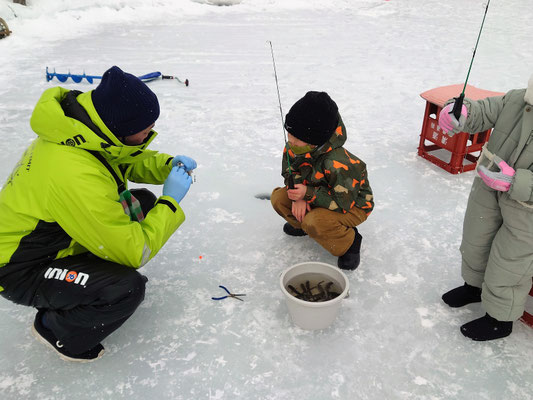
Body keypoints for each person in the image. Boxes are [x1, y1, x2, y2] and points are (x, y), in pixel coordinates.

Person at [0, 66, 196, 361]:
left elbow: (121, 158)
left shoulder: (82, 130)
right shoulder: (73, 174)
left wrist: (167, 166)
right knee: (124, 288)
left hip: (54, 238)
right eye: (145, 129)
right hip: (20, 268)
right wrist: (169, 201)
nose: (151, 132)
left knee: (141, 203)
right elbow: (134, 251)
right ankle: (56, 329)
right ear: (119, 128)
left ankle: (83, 278)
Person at [438, 74, 533, 341]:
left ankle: (500, 319)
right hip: (489, 187)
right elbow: (484, 110)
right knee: (476, 239)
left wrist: (519, 182)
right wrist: (461, 111)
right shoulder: (517, 98)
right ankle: (474, 287)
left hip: (528, 211)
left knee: (510, 262)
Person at [271, 91, 374, 270]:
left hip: (352, 206)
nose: (291, 142)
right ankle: (303, 225)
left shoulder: (339, 163)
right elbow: (289, 171)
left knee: (315, 221)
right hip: (315, 194)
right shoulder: (295, 147)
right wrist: (298, 197)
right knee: (279, 199)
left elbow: (343, 204)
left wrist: (307, 193)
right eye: (289, 135)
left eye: (297, 139)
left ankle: (349, 242)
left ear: (314, 140)